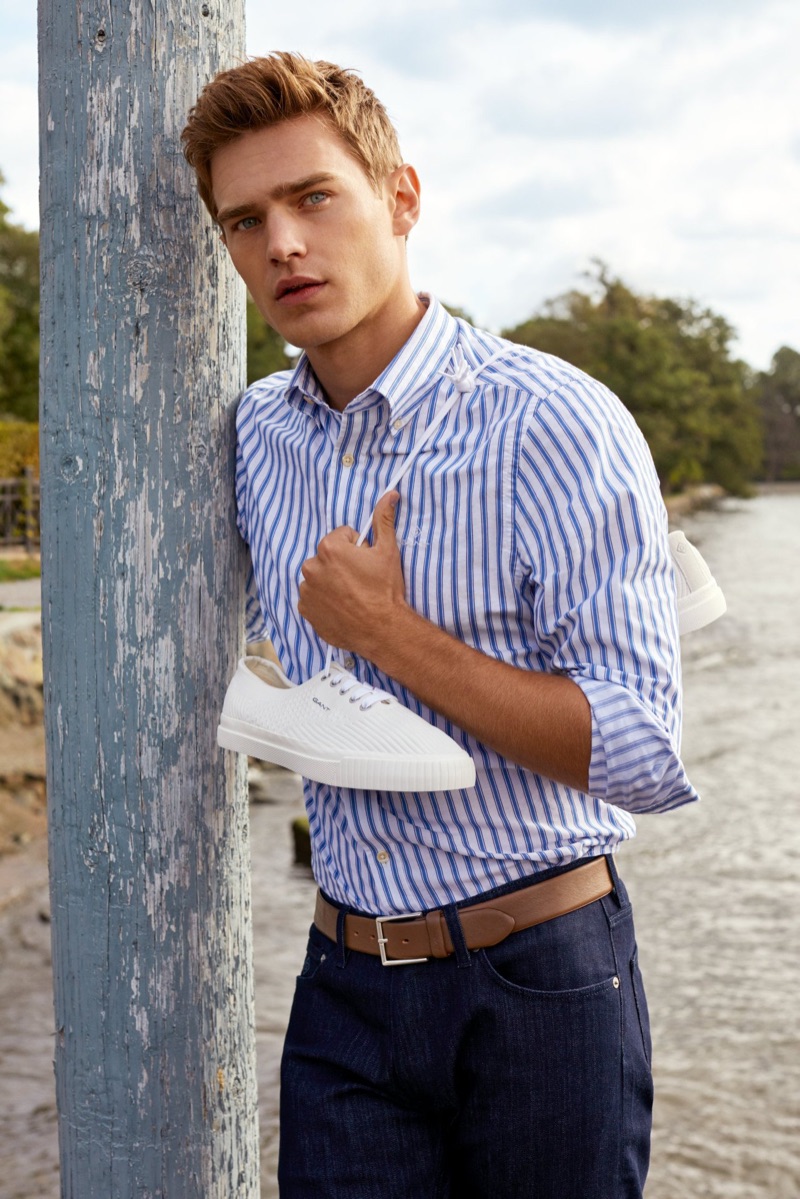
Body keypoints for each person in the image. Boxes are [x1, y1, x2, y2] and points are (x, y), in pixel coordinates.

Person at [182, 52, 699, 1199]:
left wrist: (388, 632)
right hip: (344, 987)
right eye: (245, 220)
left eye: (314, 197)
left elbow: (641, 752)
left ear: (400, 198)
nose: (282, 246)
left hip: (542, 986)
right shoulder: (251, 435)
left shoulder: (553, 421)